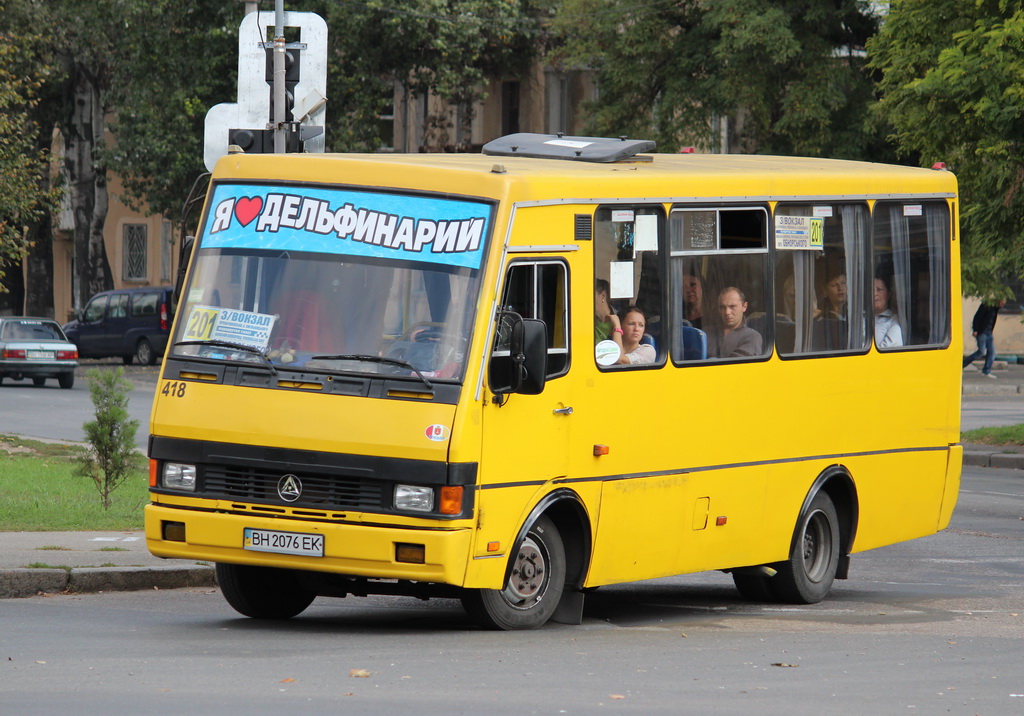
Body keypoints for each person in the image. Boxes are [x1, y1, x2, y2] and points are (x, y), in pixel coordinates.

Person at [711, 287, 762, 358]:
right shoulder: (706, 333)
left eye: (732, 306)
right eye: (722, 307)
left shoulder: (752, 337)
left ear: (744, 306)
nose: (727, 312)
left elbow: (735, 366)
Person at [963, 298, 1007, 378]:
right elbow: (977, 317)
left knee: (992, 352)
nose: (1002, 306)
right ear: (998, 302)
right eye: (1001, 304)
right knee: (981, 352)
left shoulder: (995, 309)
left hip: (989, 333)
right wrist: (975, 329)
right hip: (981, 332)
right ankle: (963, 364)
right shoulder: (986, 306)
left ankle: (986, 371)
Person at [873, 276, 903, 348]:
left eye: (879, 289)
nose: (874, 294)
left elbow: (889, 350)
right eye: (871, 290)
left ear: (888, 293)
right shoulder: (860, 317)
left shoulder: (893, 321)